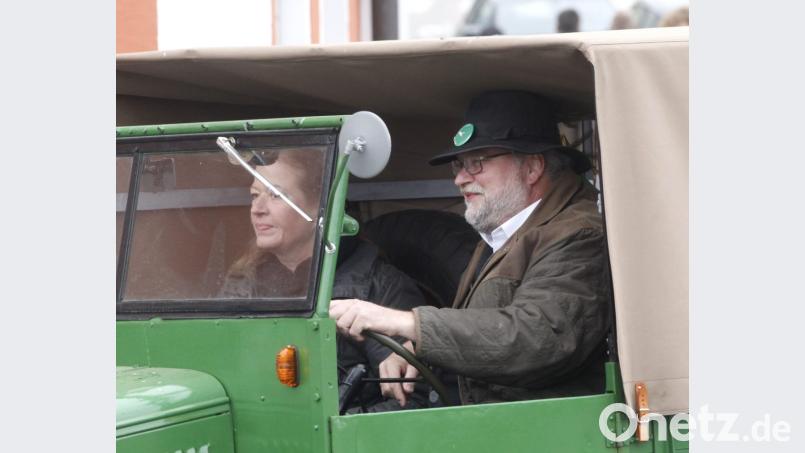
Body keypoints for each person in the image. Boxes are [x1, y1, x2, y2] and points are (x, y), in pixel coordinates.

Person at [330, 91, 612, 405]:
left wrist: (406, 323)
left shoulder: (578, 235)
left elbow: (538, 337)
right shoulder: (506, 233)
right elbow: (487, 324)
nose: (460, 179)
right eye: (459, 166)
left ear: (533, 168)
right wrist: (416, 348)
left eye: (476, 164)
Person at [220, 149, 429, 411]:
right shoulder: (242, 281)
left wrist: (331, 431)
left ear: (318, 207)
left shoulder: (378, 286)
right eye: (254, 195)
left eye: (276, 195)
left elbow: (411, 402)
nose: (257, 209)